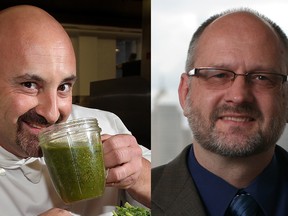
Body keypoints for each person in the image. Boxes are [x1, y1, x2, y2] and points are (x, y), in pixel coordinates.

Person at [0, 5, 150, 216]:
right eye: (29, 85)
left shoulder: (102, 125)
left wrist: (139, 175)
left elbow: (190, 197)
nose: (52, 114)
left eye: (63, 87)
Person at [152, 8, 288, 216]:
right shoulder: (143, 197)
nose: (239, 95)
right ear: (185, 92)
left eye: (262, 77)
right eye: (219, 75)